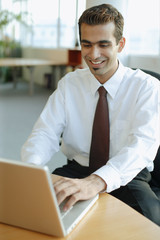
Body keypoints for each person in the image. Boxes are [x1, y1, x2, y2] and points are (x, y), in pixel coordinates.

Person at [21, 4, 160, 225]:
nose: (94, 55)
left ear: (120, 44)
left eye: (103, 45)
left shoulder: (147, 87)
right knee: (33, 212)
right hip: (78, 169)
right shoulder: (69, 84)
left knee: (151, 223)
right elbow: (45, 133)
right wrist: (30, 170)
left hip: (127, 173)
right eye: (87, 44)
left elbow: (142, 146)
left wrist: (97, 181)